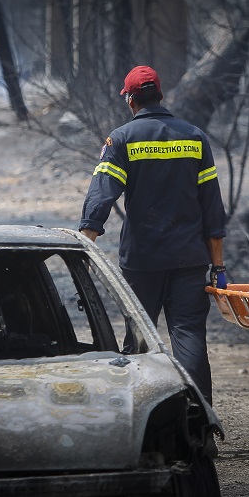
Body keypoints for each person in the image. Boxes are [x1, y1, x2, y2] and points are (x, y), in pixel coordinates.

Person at [79, 65, 228, 407]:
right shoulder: (194, 137)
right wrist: (218, 267)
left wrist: (84, 247)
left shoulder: (121, 139)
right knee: (190, 340)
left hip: (142, 261)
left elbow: (101, 197)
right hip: (191, 260)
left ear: (131, 100)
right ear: (160, 95)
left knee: (138, 342)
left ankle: (137, 421)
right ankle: (199, 424)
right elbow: (212, 208)